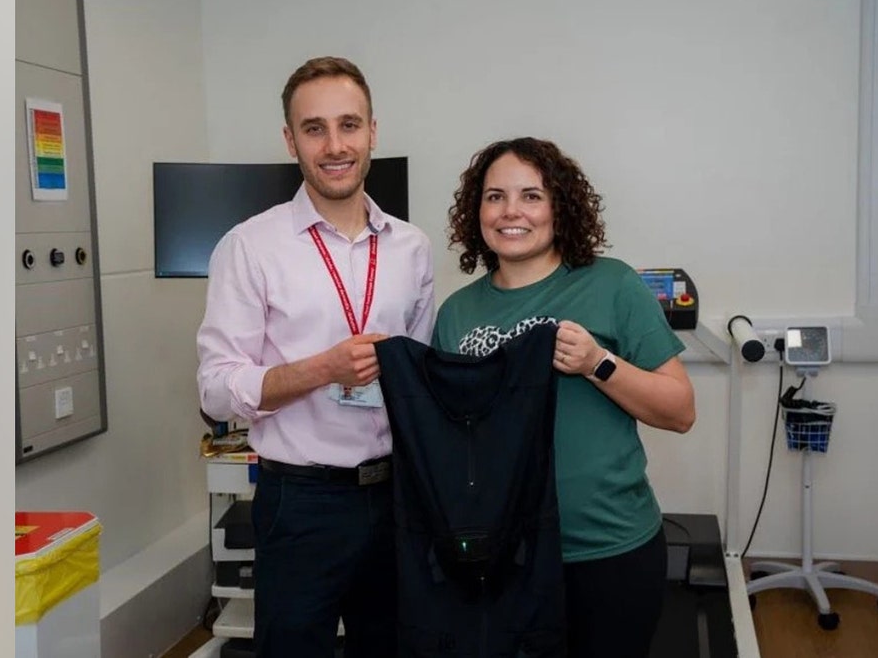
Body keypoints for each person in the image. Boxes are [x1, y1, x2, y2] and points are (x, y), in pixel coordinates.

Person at [197, 56, 435, 658]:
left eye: (349, 125)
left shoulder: (411, 247)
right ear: (290, 139)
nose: (335, 145)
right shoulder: (249, 247)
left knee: (391, 647)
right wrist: (321, 370)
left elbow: (424, 374)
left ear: (373, 132)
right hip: (303, 504)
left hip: (396, 496)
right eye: (314, 128)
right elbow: (216, 390)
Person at [432, 136, 696, 658]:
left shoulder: (612, 285)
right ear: (476, 211)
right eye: (494, 196)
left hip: (606, 549)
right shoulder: (456, 313)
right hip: (503, 555)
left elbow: (680, 411)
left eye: (531, 195)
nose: (511, 211)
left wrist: (599, 363)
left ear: (560, 206)